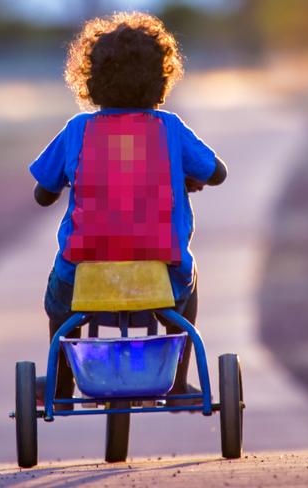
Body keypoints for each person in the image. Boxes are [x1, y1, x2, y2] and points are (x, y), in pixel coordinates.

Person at [29, 12, 227, 409]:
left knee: (57, 307)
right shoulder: (169, 128)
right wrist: (184, 175)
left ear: (89, 78)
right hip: (162, 276)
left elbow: (42, 194)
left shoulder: (77, 131)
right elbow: (217, 172)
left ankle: (61, 383)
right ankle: (178, 381)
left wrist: (64, 183)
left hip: (83, 274)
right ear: (162, 78)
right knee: (189, 289)